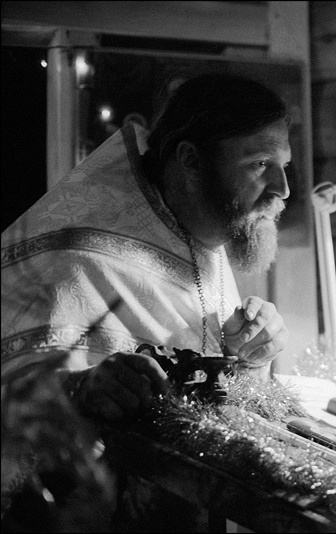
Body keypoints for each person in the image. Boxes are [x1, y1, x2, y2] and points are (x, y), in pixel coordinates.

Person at [1, 73, 293, 529]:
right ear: (191, 161)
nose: (283, 188)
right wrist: (82, 390)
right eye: (259, 164)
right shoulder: (76, 259)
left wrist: (254, 355)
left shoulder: (202, 242)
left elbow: (218, 410)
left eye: (284, 166)